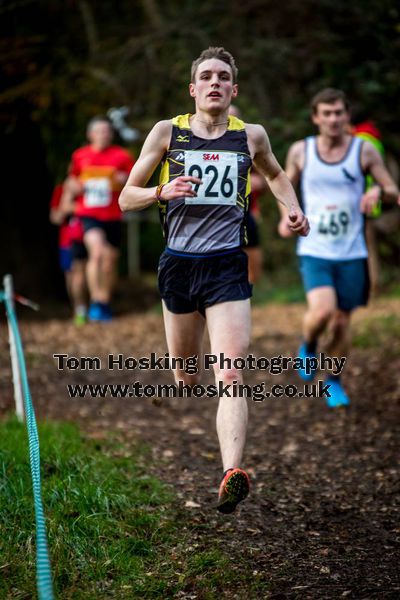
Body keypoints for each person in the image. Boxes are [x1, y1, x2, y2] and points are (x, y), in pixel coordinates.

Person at [119, 47, 309, 513]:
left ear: (234, 89)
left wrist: (293, 206)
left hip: (227, 263)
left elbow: (278, 174)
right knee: (186, 373)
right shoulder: (168, 132)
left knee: (231, 373)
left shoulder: (252, 136)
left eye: (223, 77)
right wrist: (161, 190)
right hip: (178, 265)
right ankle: (183, 377)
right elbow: (126, 197)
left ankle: (231, 472)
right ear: (193, 88)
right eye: (206, 76)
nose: (215, 83)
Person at [279, 88, 399, 407]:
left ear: (347, 117)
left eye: (339, 113)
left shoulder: (364, 151)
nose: (333, 119)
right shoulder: (301, 151)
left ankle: (333, 380)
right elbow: (284, 186)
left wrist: (377, 194)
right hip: (315, 247)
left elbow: (391, 189)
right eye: (327, 113)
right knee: (322, 311)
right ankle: (308, 343)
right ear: (316, 118)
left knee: (343, 321)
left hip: (352, 251)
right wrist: (286, 216)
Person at [62, 116, 135, 321]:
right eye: (99, 131)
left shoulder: (121, 156)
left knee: (110, 260)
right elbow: (71, 180)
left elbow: (135, 180)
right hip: (88, 214)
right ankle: (96, 300)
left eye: (107, 131)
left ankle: (104, 302)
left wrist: (124, 180)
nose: (104, 134)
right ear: (90, 134)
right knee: (97, 252)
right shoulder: (80, 156)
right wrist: (75, 186)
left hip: (113, 215)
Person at [228, 105, 267, 283]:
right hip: (213, 218)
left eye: (233, 118)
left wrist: (255, 182)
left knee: (253, 269)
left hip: (246, 213)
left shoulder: (249, 143)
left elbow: (268, 178)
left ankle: (244, 298)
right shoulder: (199, 144)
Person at [49, 182, 88, 324]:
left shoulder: (92, 186)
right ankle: (78, 309)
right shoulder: (61, 189)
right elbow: (55, 217)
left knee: (85, 273)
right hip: (67, 241)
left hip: (88, 239)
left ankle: (87, 309)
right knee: (71, 276)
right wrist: (69, 199)